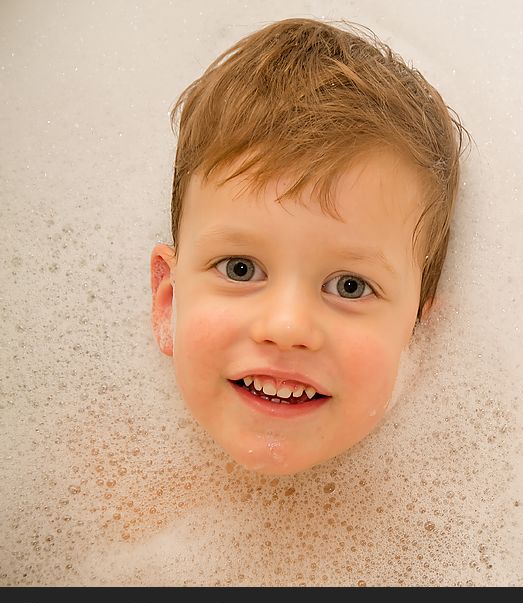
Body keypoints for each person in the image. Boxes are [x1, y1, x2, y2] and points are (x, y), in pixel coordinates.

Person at [149, 18, 467, 475]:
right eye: (239, 268)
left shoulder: (456, 519)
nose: (286, 325)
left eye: (350, 286)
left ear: (419, 335)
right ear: (168, 303)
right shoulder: (99, 489)